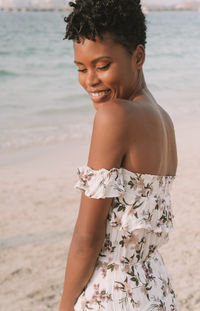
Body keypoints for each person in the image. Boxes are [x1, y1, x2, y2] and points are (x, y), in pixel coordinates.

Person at [59, 0, 178, 310]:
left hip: (112, 294)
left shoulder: (114, 116)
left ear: (137, 56)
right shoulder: (164, 120)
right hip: (156, 289)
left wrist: (63, 305)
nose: (89, 81)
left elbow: (87, 237)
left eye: (102, 65)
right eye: (81, 68)